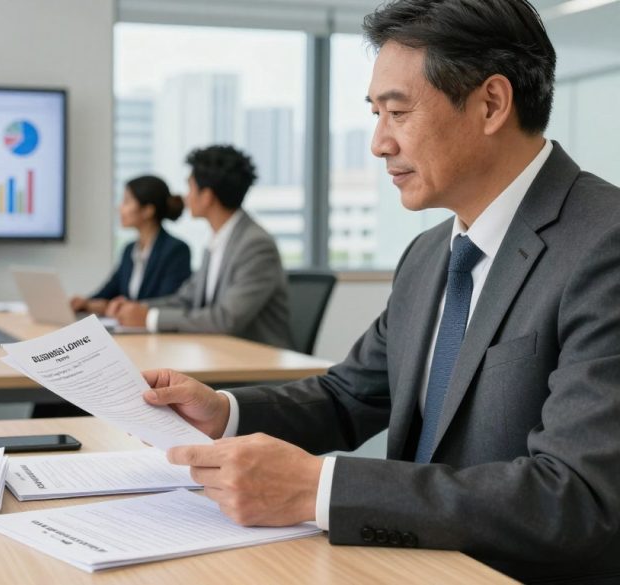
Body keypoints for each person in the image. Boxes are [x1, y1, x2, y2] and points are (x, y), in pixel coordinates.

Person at [141, 1, 620, 582]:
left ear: (491, 103)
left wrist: (319, 488)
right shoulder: (427, 255)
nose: (378, 144)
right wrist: (226, 413)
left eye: (397, 112)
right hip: (399, 564)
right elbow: (349, 396)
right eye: (375, 113)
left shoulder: (604, 244)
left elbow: (577, 498)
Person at [107, 145, 292, 349]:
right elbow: (186, 299)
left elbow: (225, 319)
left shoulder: (255, 245)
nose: (186, 197)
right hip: (220, 351)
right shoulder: (219, 239)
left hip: (259, 362)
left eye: (190, 188)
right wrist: (138, 308)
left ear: (207, 196)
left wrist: (150, 318)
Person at [70, 175, 191, 315]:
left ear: (148, 211)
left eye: (126, 201)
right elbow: (108, 291)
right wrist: (85, 303)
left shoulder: (176, 250)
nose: (120, 208)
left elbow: (169, 302)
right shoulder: (129, 250)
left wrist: (111, 306)